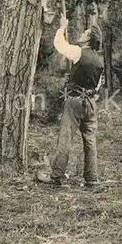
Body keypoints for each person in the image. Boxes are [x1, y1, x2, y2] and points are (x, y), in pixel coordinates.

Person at [37, 15, 104, 187]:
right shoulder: (99, 61)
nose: (81, 34)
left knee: (65, 139)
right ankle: (92, 178)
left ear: (89, 38)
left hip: (75, 101)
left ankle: (56, 177)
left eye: (85, 33)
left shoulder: (78, 52)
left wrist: (62, 27)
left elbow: (59, 45)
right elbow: (97, 88)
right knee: (90, 142)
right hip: (90, 103)